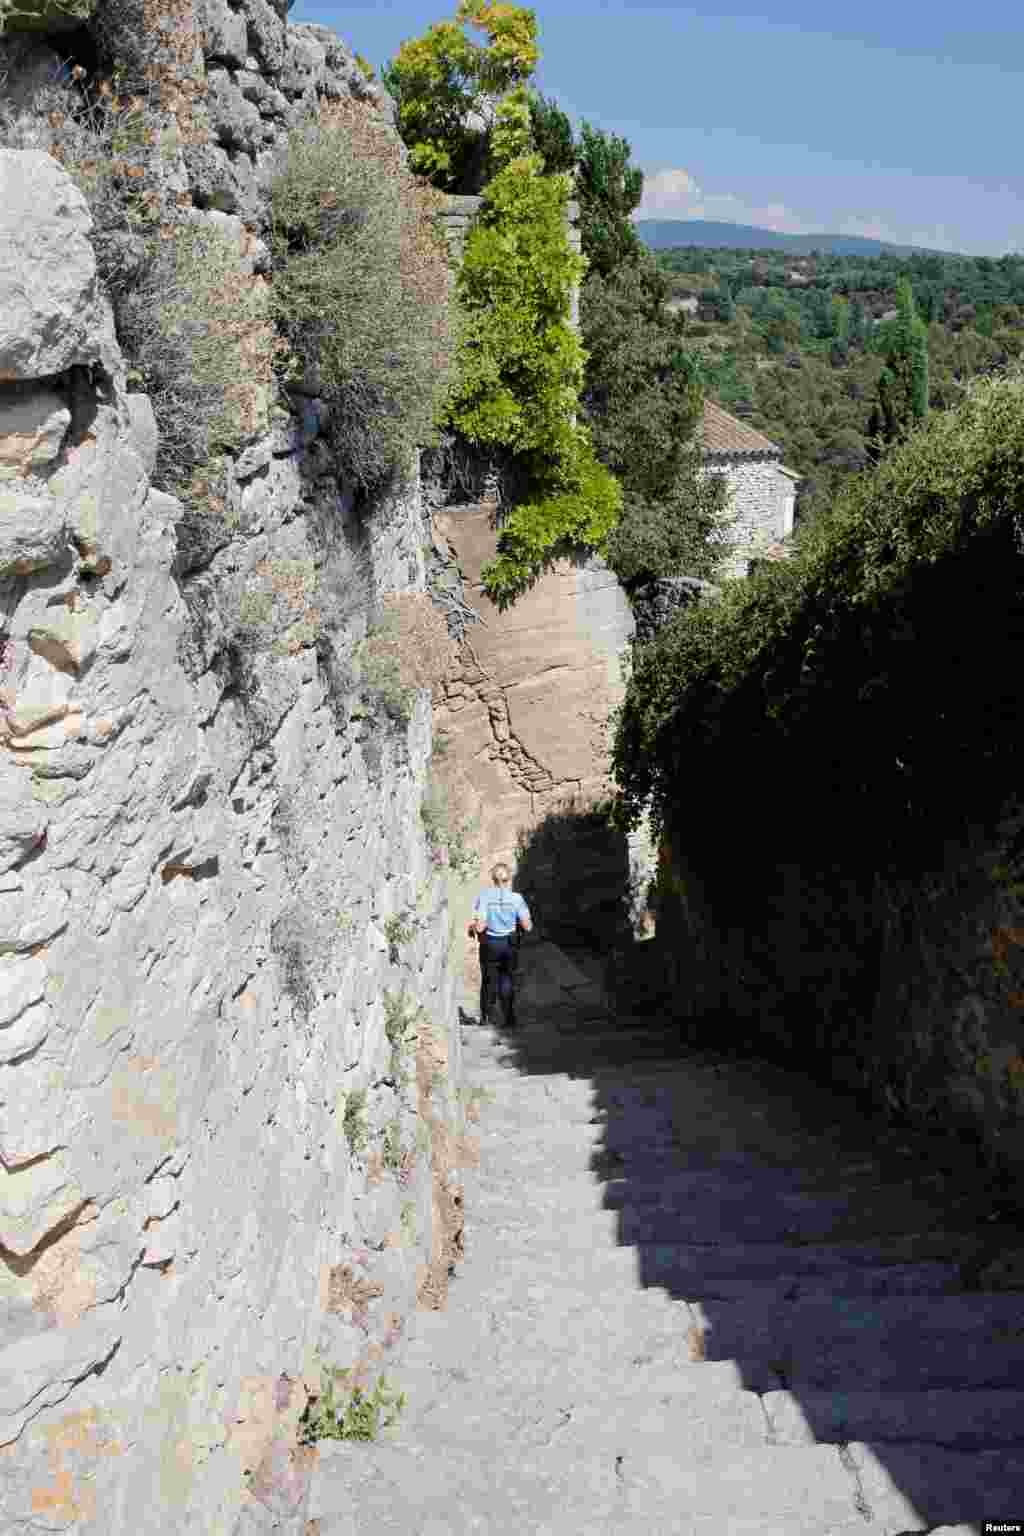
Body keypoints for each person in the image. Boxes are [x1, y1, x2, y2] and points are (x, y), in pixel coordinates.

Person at [468, 862, 532, 1028]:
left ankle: (485, 1017)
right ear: (509, 878)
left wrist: (473, 927)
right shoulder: (517, 899)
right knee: (507, 979)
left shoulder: (485, 897)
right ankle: (509, 1018)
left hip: (490, 944)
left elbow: (480, 926)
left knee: (488, 980)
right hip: (509, 944)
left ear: (493, 879)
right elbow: (527, 926)